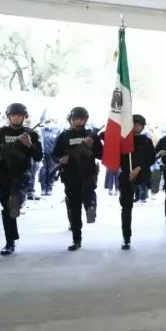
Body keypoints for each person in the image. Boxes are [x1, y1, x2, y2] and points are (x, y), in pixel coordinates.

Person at [0, 103, 43, 256]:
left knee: (14, 203)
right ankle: (10, 241)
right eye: (13, 115)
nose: (16, 118)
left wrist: (29, 145)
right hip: (3, 174)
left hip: (22, 174)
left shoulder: (31, 134)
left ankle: (16, 209)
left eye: (20, 115)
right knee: (7, 208)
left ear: (24, 117)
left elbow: (39, 156)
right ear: (8, 117)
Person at [53, 107, 103, 251]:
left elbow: (100, 155)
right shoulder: (64, 136)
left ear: (85, 120)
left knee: (89, 194)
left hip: (88, 173)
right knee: (74, 208)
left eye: (81, 119)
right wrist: (60, 159)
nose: (78, 121)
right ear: (70, 120)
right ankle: (77, 239)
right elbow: (54, 154)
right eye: (76, 118)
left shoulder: (91, 135)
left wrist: (92, 147)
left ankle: (91, 208)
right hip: (70, 175)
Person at [114, 114, 156, 250]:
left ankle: (142, 193)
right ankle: (126, 237)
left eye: (139, 125)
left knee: (141, 194)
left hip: (142, 175)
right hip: (126, 176)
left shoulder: (146, 141)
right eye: (134, 124)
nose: (136, 127)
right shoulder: (123, 139)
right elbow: (115, 156)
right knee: (126, 207)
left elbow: (151, 158)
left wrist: (138, 168)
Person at [39, 120, 60, 196]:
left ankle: (49, 188)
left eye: (50, 122)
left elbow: (59, 143)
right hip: (43, 155)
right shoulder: (41, 131)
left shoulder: (57, 131)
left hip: (53, 155)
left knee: (52, 172)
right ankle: (43, 189)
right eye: (46, 122)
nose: (48, 124)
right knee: (43, 172)